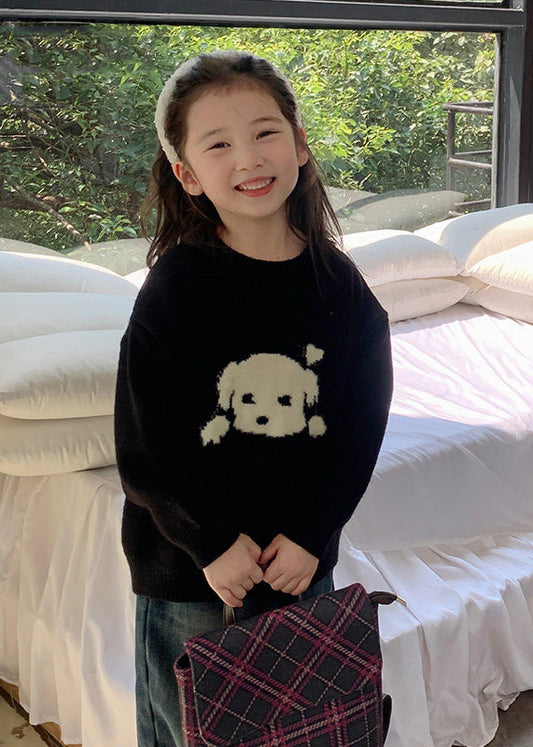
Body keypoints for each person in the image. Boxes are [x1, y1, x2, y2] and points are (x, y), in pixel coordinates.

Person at [114, 49, 393, 747]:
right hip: (194, 573)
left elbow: (357, 432)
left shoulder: (341, 287)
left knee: (306, 728)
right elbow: (146, 443)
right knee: (189, 731)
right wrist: (209, 543)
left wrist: (312, 533)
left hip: (301, 564)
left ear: (299, 145)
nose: (248, 157)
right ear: (187, 174)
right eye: (218, 144)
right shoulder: (177, 285)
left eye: (265, 132)